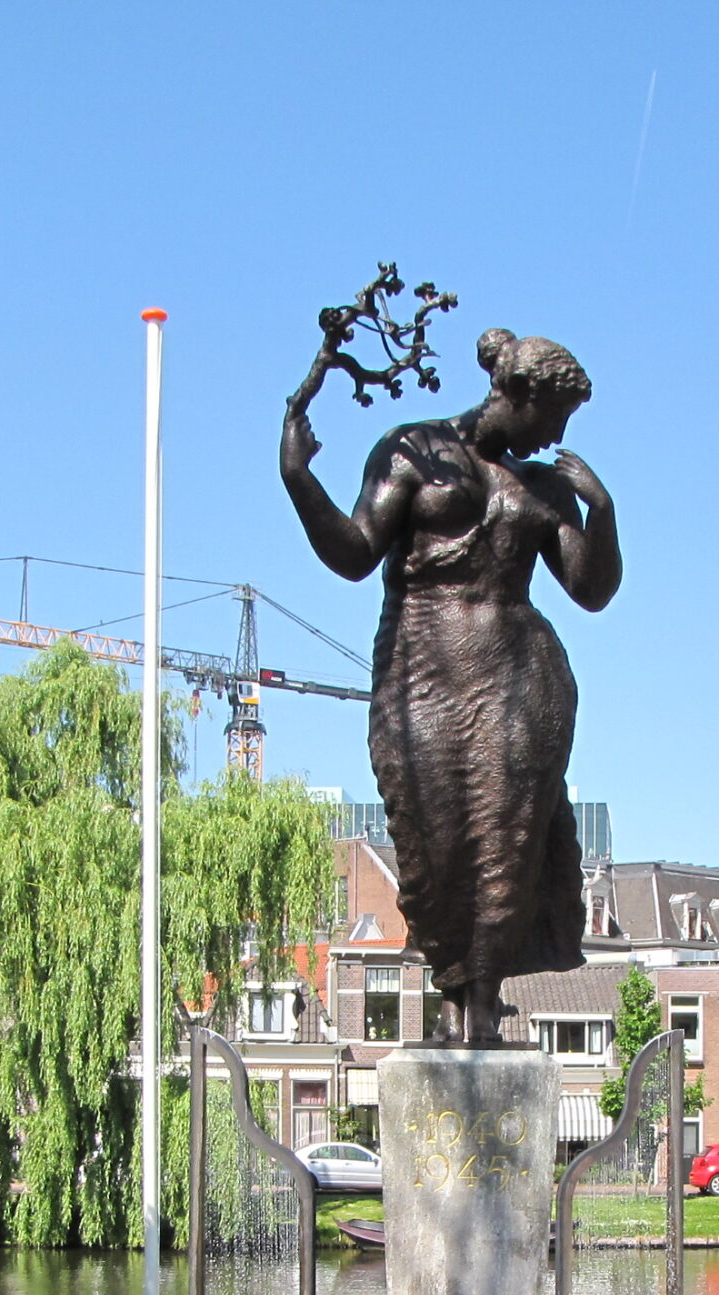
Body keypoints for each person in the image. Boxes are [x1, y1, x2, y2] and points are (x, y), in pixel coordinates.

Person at [281, 324, 620, 1045]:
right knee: (431, 837)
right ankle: (451, 995)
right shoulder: (414, 452)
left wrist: (604, 513)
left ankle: (483, 1014)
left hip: (519, 676)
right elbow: (354, 551)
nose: (555, 435)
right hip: (424, 668)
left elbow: (591, 590)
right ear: (519, 393)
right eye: (553, 417)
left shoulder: (544, 486)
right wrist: (299, 479)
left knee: (507, 839)